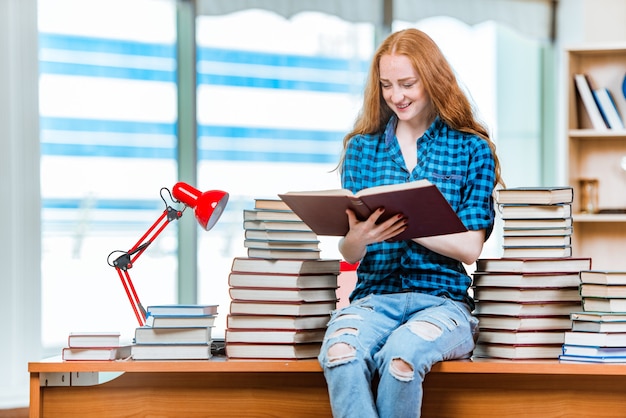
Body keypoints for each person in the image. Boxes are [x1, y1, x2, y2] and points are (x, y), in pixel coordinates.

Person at [317, 28, 504, 418]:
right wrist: (357, 238)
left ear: (432, 79)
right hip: (373, 298)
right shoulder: (361, 149)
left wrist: (409, 223)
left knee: (401, 359)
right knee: (340, 355)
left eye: (407, 84)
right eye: (387, 85)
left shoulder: (472, 148)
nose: (396, 96)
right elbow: (350, 251)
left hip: (443, 303)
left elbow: (470, 247)